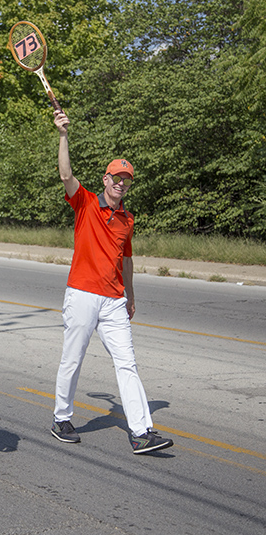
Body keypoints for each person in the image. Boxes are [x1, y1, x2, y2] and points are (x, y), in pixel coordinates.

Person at [50, 109, 173, 454]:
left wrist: (130, 293)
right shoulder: (86, 203)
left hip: (114, 299)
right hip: (82, 294)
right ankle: (62, 418)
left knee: (127, 362)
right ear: (105, 179)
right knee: (73, 358)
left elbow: (127, 258)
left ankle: (141, 432)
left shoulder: (127, 219)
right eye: (116, 178)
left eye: (127, 180)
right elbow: (65, 174)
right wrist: (63, 135)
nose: (121, 184)